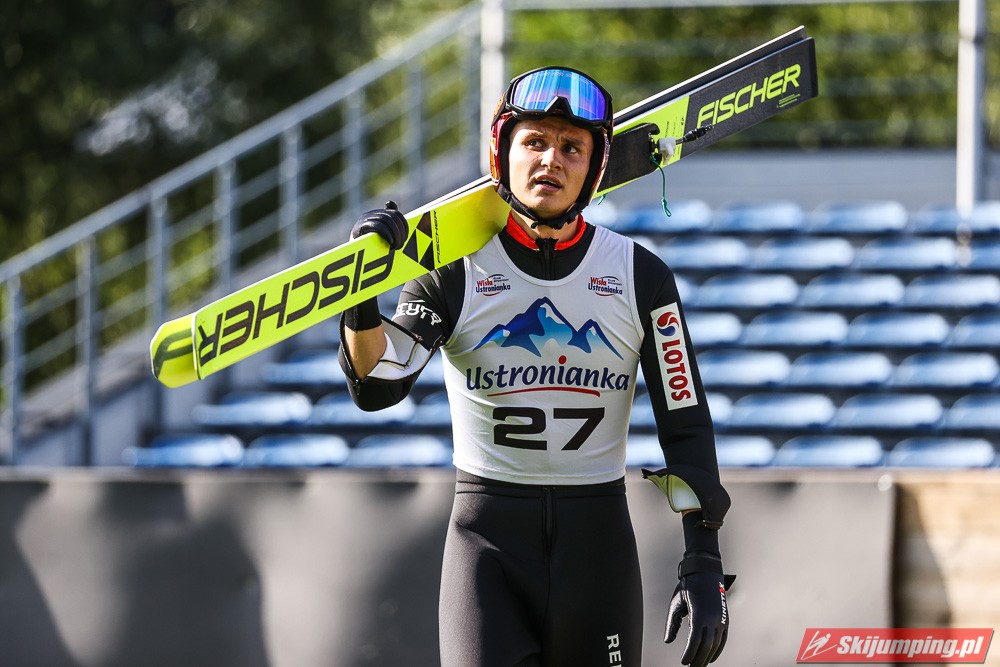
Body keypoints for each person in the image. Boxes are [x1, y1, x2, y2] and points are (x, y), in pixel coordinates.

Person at [339, 66, 734, 667]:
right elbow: (377, 383)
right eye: (535, 141)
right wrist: (360, 287)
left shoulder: (641, 275)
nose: (551, 159)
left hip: (597, 549)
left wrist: (703, 563)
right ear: (502, 154)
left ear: (594, 168)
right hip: (486, 546)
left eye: (572, 147)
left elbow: (686, 425)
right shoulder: (452, 270)